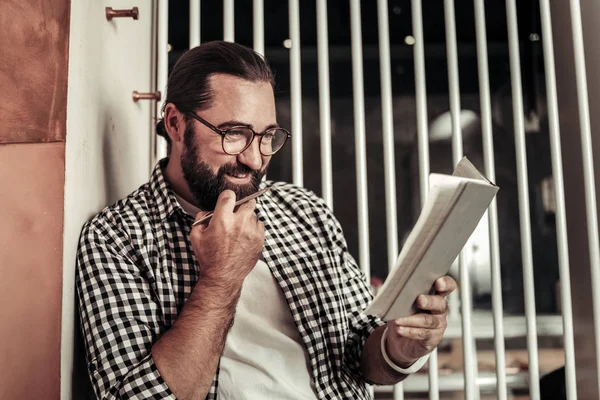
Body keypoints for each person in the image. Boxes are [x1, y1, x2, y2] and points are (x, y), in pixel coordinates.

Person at [76, 40, 457, 400]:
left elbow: (361, 351)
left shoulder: (305, 211)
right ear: (175, 124)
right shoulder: (117, 236)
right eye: (235, 134)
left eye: (267, 137)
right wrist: (221, 278)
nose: (256, 160)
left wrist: (400, 347)